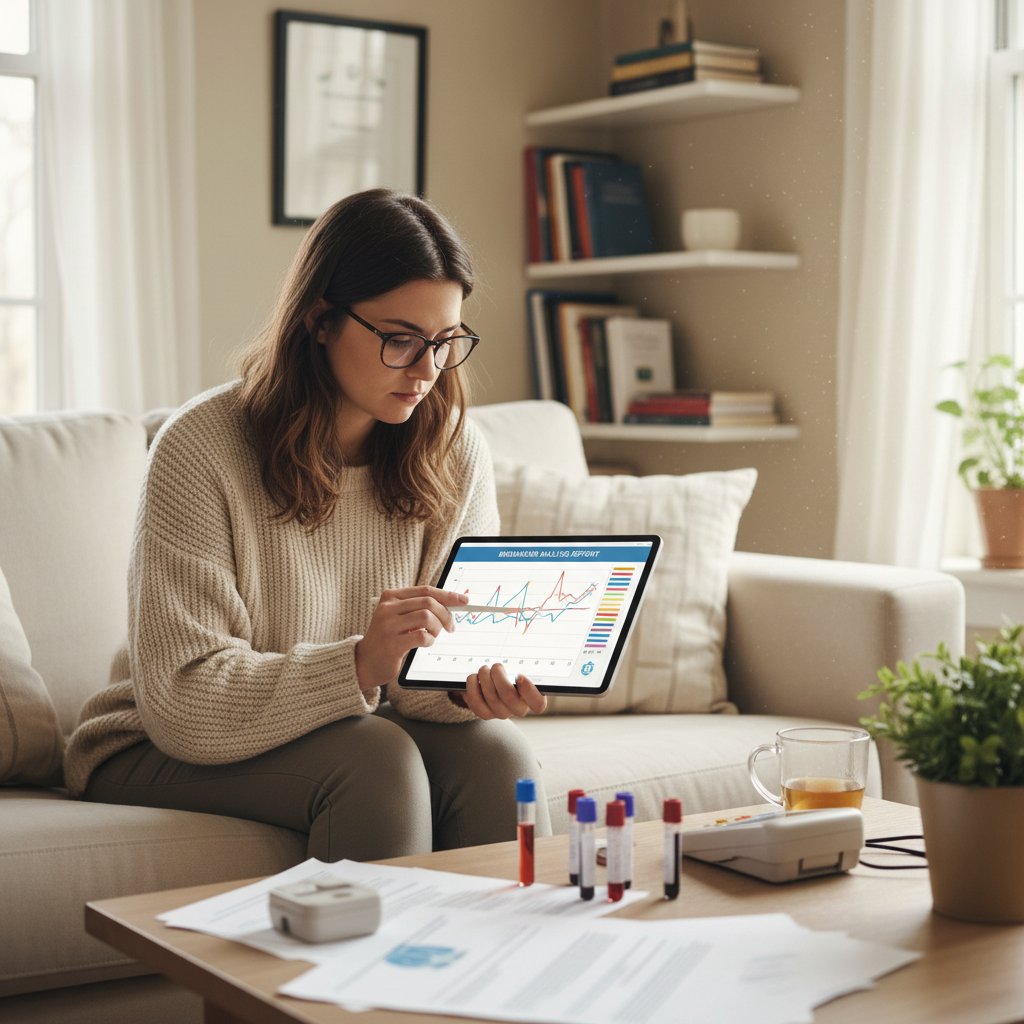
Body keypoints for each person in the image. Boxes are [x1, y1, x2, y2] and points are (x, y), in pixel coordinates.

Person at [64, 188, 553, 860]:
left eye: (445, 342)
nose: (427, 371)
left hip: (339, 723)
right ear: (320, 320)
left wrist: (471, 686)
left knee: (498, 755)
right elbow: (183, 702)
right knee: (376, 760)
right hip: (152, 741)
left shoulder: (454, 449)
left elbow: (420, 696)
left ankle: (506, 965)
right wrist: (360, 662)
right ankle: (365, 970)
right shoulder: (200, 448)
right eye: (401, 340)